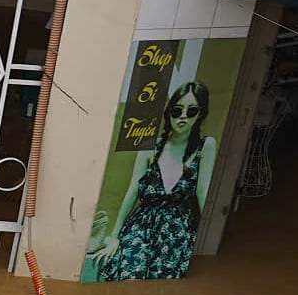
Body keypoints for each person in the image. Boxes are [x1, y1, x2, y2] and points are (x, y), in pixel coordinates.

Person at [89, 79, 216, 282]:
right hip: (142, 226)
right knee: (128, 273)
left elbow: (203, 194)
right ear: (169, 113)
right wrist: (115, 236)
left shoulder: (205, 147)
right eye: (177, 111)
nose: (183, 117)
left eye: (191, 111)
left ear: (200, 114)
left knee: (161, 283)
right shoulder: (151, 148)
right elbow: (133, 190)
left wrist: (203, 242)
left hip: (178, 230)